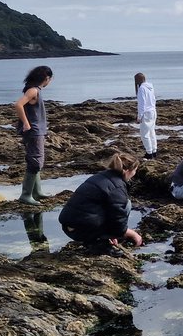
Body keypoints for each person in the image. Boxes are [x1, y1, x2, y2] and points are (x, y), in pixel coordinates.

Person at [59, 153, 144, 254]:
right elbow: (118, 217)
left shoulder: (101, 176)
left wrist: (112, 234)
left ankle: (99, 239)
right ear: (127, 171)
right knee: (126, 205)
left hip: (69, 226)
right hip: (81, 230)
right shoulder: (117, 187)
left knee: (113, 207)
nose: (134, 173)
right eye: (135, 170)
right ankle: (99, 244)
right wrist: (131, 234)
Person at [13, 65, 53, 205]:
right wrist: (26, 123)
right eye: (50, 79)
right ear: (46, 78)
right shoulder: (33, 90)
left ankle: (37, 192)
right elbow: (18, 105)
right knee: (35, 162)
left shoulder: (35, 89)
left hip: (38, 131)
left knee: (36, 161)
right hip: (34, 131)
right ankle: (26, 195)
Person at [135, 72, 157, 159]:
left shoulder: (142, 89)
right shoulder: (150, 87)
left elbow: (142, 104)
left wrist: (139, 116)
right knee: (152, 132)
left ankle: (149, 153)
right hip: (153, 111)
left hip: (146, 113)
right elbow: (154, 99)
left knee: (144, 134)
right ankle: (154, 151)